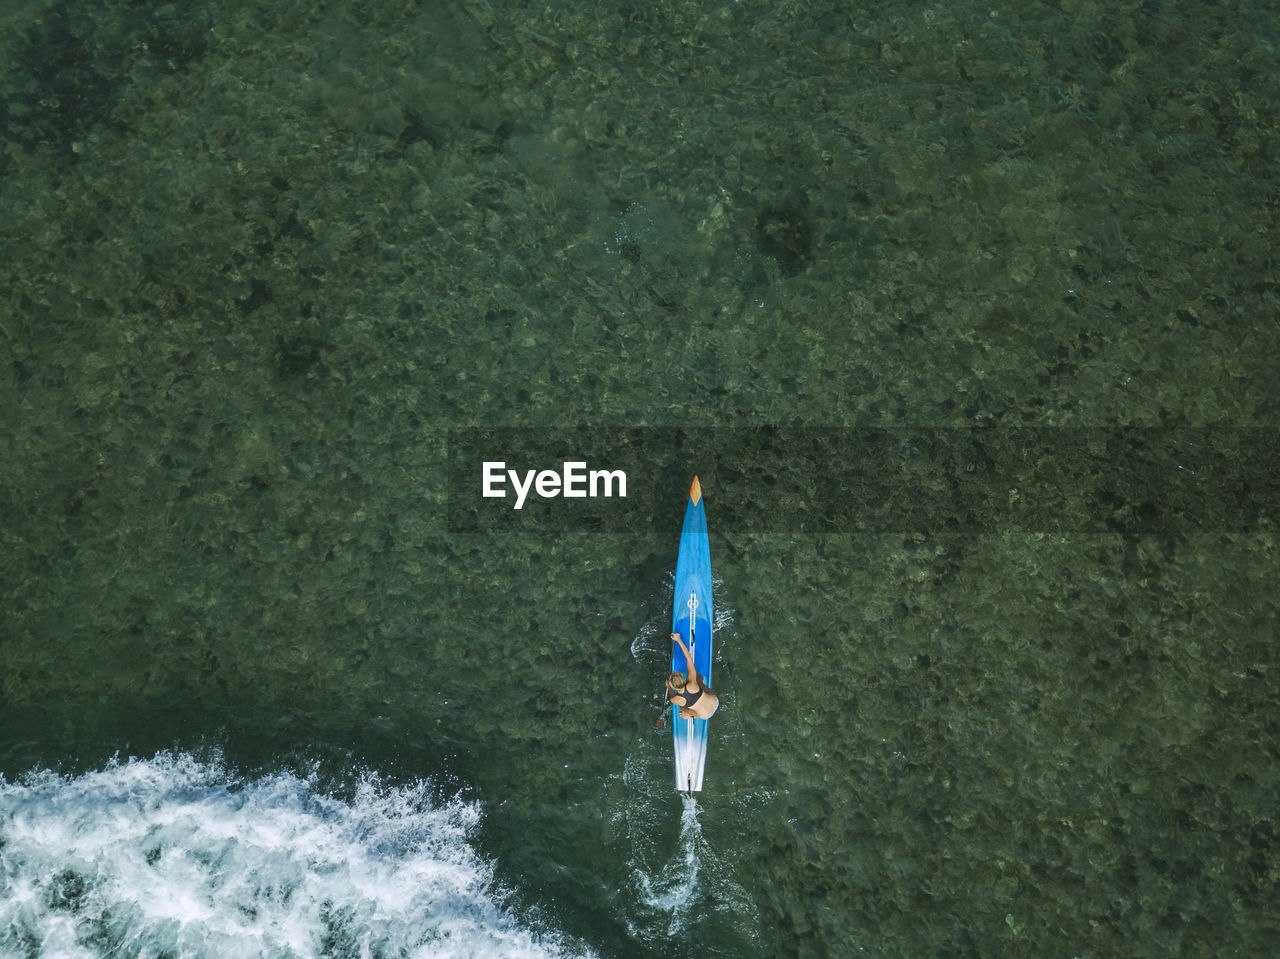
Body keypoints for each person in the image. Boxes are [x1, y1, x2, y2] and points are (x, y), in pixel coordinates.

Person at [666, 632, 719, 719]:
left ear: (673, 686)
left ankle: (690, 716)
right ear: (682, 678)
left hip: (705, 716)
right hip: (715, 701)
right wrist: (679, 640)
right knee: (697, 682)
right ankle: (700, 681)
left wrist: (668, 686)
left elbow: (671, 694)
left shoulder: (675, 700)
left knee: (682, 707)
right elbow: (688, 658)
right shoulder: (691, 683)